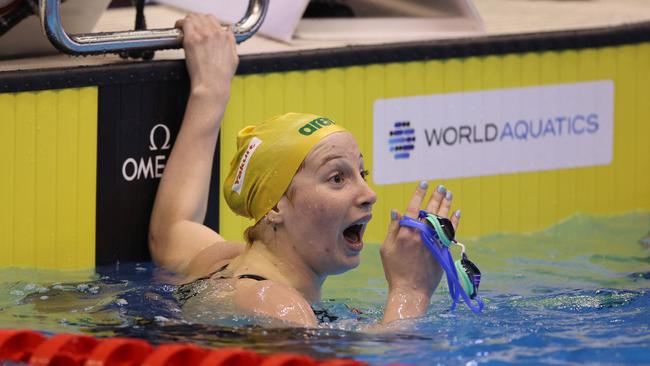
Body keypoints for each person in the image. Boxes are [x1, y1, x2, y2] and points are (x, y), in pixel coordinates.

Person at [149, 14, 461, 327]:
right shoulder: (278, 305)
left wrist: (210, 90)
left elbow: (171, 227)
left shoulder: (220, 261)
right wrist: (410, 291)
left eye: (361, 174)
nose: (369, 194)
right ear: (275, 205)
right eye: (337, 178)